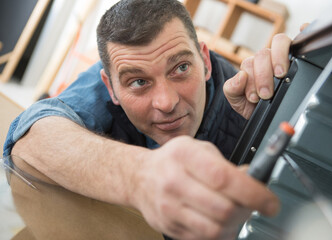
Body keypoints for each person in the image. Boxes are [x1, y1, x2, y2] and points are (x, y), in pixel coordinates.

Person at [4, 0, 292, 239]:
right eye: (139, 82)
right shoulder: (117, 68)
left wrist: (283, 104)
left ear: (204, 60)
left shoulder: (251, 99)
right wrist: (140, 176)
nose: (166, 102)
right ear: (110, 86)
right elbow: (32, 134)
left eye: (180, 67)